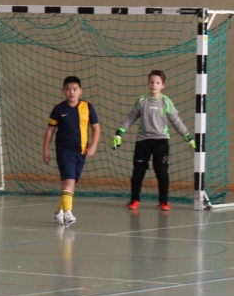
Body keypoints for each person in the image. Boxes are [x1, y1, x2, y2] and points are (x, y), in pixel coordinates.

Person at [111, 70, 195, 211]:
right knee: (138, 172)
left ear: (163, 85)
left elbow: (176, 121)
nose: (154, 85)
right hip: (143, 141)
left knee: (162, 172)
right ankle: (134, 200)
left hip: (161, 141)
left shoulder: (166, 102)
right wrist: (119, 133)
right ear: (148, 83)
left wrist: (188, 138)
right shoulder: (141, 101)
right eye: (151, 82)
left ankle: (164, 201)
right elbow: (130, 118)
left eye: (157, 82)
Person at [42, 76, 101, 226]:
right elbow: (50, 130)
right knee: (68, 180)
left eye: (75, 89)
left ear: (80, 91)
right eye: (68, 89)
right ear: (64, 91)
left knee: (71, 182)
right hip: (64, 149)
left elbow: (96, 128)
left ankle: (59, 212)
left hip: (80, 151)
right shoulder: (59, 109)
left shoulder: (87, 107)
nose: (71, 92)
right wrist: (45, 150)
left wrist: (93, 146)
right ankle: (68, 213)